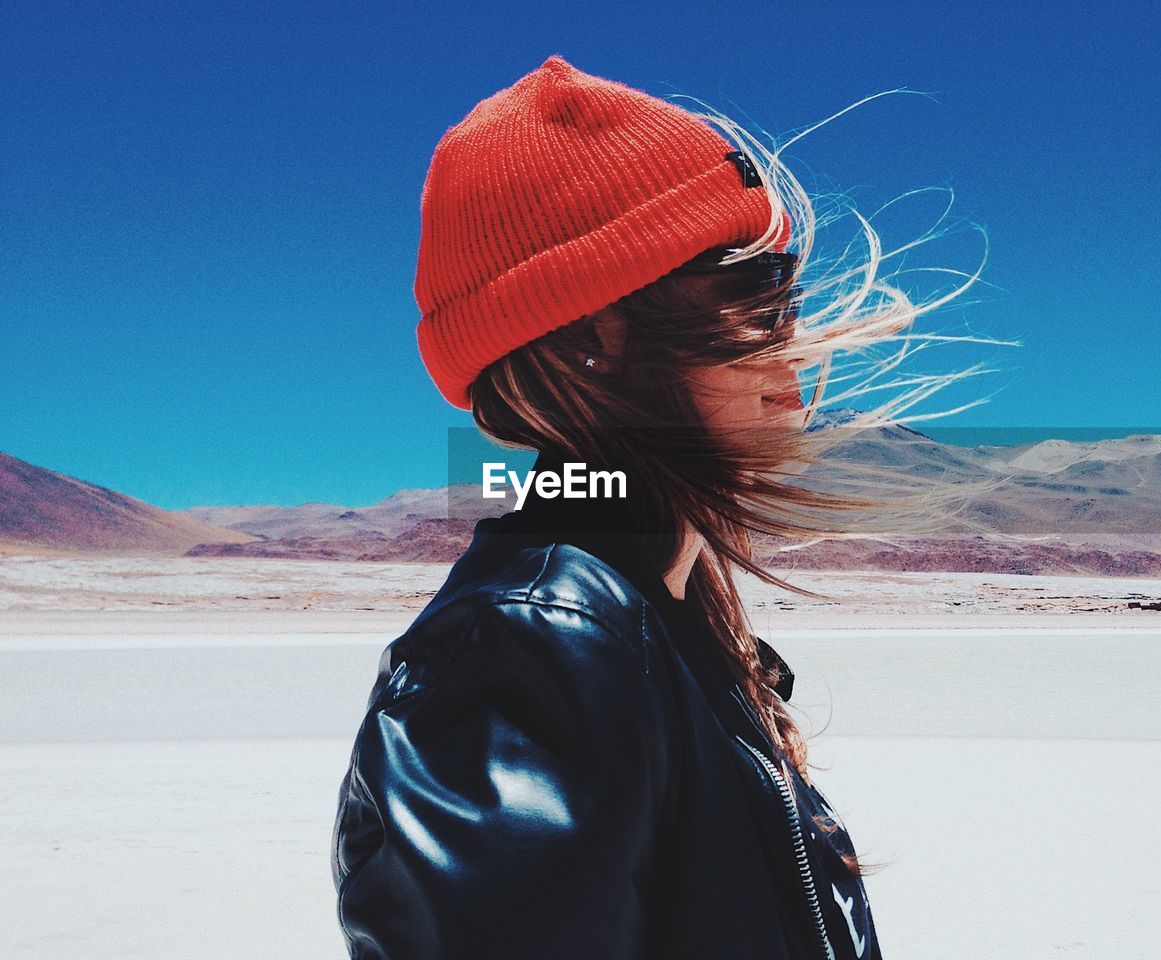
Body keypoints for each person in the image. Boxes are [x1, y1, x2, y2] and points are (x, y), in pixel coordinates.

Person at [331, 53, 979, 959]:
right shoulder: (530, 649)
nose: (794, 363)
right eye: (755, 302)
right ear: (598, 337)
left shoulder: (659, 616)